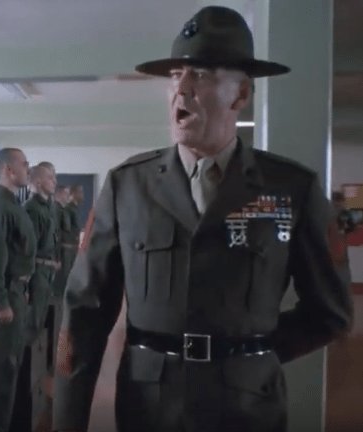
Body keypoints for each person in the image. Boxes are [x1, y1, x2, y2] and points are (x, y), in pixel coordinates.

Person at [53, 6, 353, 432]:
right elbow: (84, 311)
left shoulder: (291, 189)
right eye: (176, 75)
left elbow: (332, 312)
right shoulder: (128, 185)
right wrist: (67, 421)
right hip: (149, 405)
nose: (181, 88)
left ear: (240, 95)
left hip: (247, 409)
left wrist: (250, 355)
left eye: (202, 75)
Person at [0, 147, 36, 432]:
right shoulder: (0, 207)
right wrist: (0, 301)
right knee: (1, 373)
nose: (28, 169)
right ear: (8, 170)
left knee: (12, 368)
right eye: (24, 164)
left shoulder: (14, 205)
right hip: (6, 298)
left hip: (16, 293)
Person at [23, 163, 60, 344]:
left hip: (47, 270)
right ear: (38, 182)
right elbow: (29, 249)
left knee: (41, 320)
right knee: (33, 320)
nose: (55, 182)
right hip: (37, 271)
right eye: (50, 178)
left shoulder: (48, 207)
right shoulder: (32, 208)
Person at [51, 185, 72, 298]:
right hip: (60, 251)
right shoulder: (56, 209)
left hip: (64, 251)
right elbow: (56, 234)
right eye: (66, 193)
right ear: (59, 194)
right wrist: (57, 257)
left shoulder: (62, 209)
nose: (68, 196)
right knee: (59, 285)